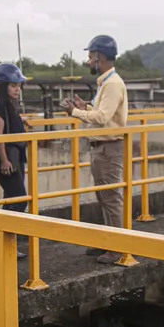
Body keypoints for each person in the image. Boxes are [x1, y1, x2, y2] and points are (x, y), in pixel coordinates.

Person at [63, 35, 129, 265]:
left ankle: (117, 247)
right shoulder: (107, 82)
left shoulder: (112, 84)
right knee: (104, 197)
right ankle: (108, 241)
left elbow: (102, 117)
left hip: (109, 147)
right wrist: (86, 107)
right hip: (103, 146)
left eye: (90, 57)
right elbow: (101, 113)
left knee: (110, 198)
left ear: (100, 57)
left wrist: (76, 113)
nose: (88, 61)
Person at [0, 63, 29, 216]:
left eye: (18, 86)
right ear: (3, 86)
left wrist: (21, 120)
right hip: (9, 155)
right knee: (19, 199)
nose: (17, 89)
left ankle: (6, 239)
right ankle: (1, 233)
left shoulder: (10, 105)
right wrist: (4, 160)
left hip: (17, 154)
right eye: (13, 86)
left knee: (12, 198)